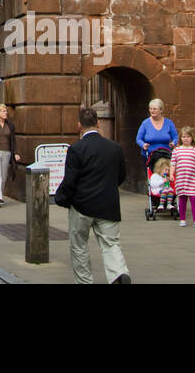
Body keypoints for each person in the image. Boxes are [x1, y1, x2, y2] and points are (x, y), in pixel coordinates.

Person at [54, 107, 131, 284]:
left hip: (82, 205)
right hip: (108, 204)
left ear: (79, 125)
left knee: (79, 246)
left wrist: (62, 198)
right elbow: (121, 176)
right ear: (98, 123)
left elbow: (70, 180)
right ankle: (119, 274)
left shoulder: (76, 149)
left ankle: (85, 282)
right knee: (111, 244)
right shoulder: (114, 148)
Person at [171, 126, 195, 228]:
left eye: (188, 136)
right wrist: (171, 174)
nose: (186, 139)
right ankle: (182, 219)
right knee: (182, 200)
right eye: (183, 137)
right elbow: (173, 163)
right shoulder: (176, 150)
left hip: (192, 179)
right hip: (181, 179)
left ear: (192, 138)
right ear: (180, 138)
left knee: (194, 199)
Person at [135, 99, 178, 172]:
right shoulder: (145, 123)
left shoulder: (169, 123)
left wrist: (173, 143)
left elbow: (175, 137)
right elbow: (138, 139)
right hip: (149, 156)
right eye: (150, 109)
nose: (152, 111)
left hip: (166, 155)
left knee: (165, 176)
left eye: (154, 109)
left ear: (161, 110)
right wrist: (143, 144)